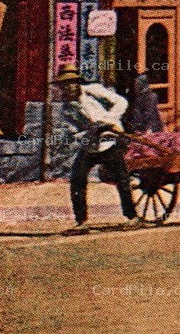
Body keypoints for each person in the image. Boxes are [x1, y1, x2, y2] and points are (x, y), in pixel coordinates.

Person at [56, 65, 141, 231]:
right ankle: (81, 221)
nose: (68, 88)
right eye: (64, 85)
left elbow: (121, 102)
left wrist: (107, 120)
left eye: (71, 83)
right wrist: (90, 132)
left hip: (109, 141)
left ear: (77, 83)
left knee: (122, 179)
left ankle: (132, 216)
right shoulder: (66, 108)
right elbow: (73, 132)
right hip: (90, 145)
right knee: (77, 180)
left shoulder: (93, 91)